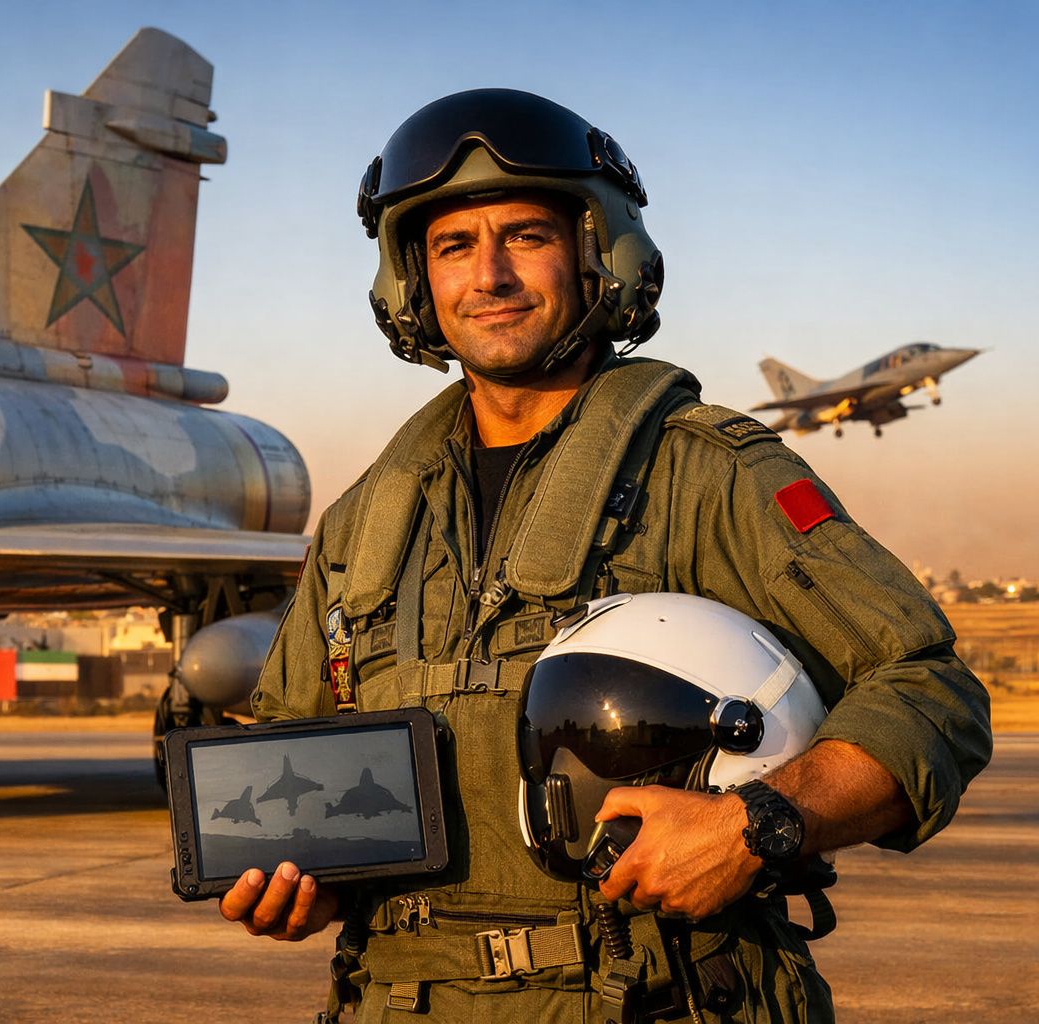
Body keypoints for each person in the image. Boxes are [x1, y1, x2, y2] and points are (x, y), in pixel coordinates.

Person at [219, 90, 991, 1023]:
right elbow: (294, 756)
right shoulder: (363, 526)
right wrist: (302, 881)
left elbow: (929, 690)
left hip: (650, 997)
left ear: (598, 258)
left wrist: (761, 828)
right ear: (413, 283)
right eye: (454, 247)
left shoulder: (707, 475)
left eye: (527, 237)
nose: (490, 276)